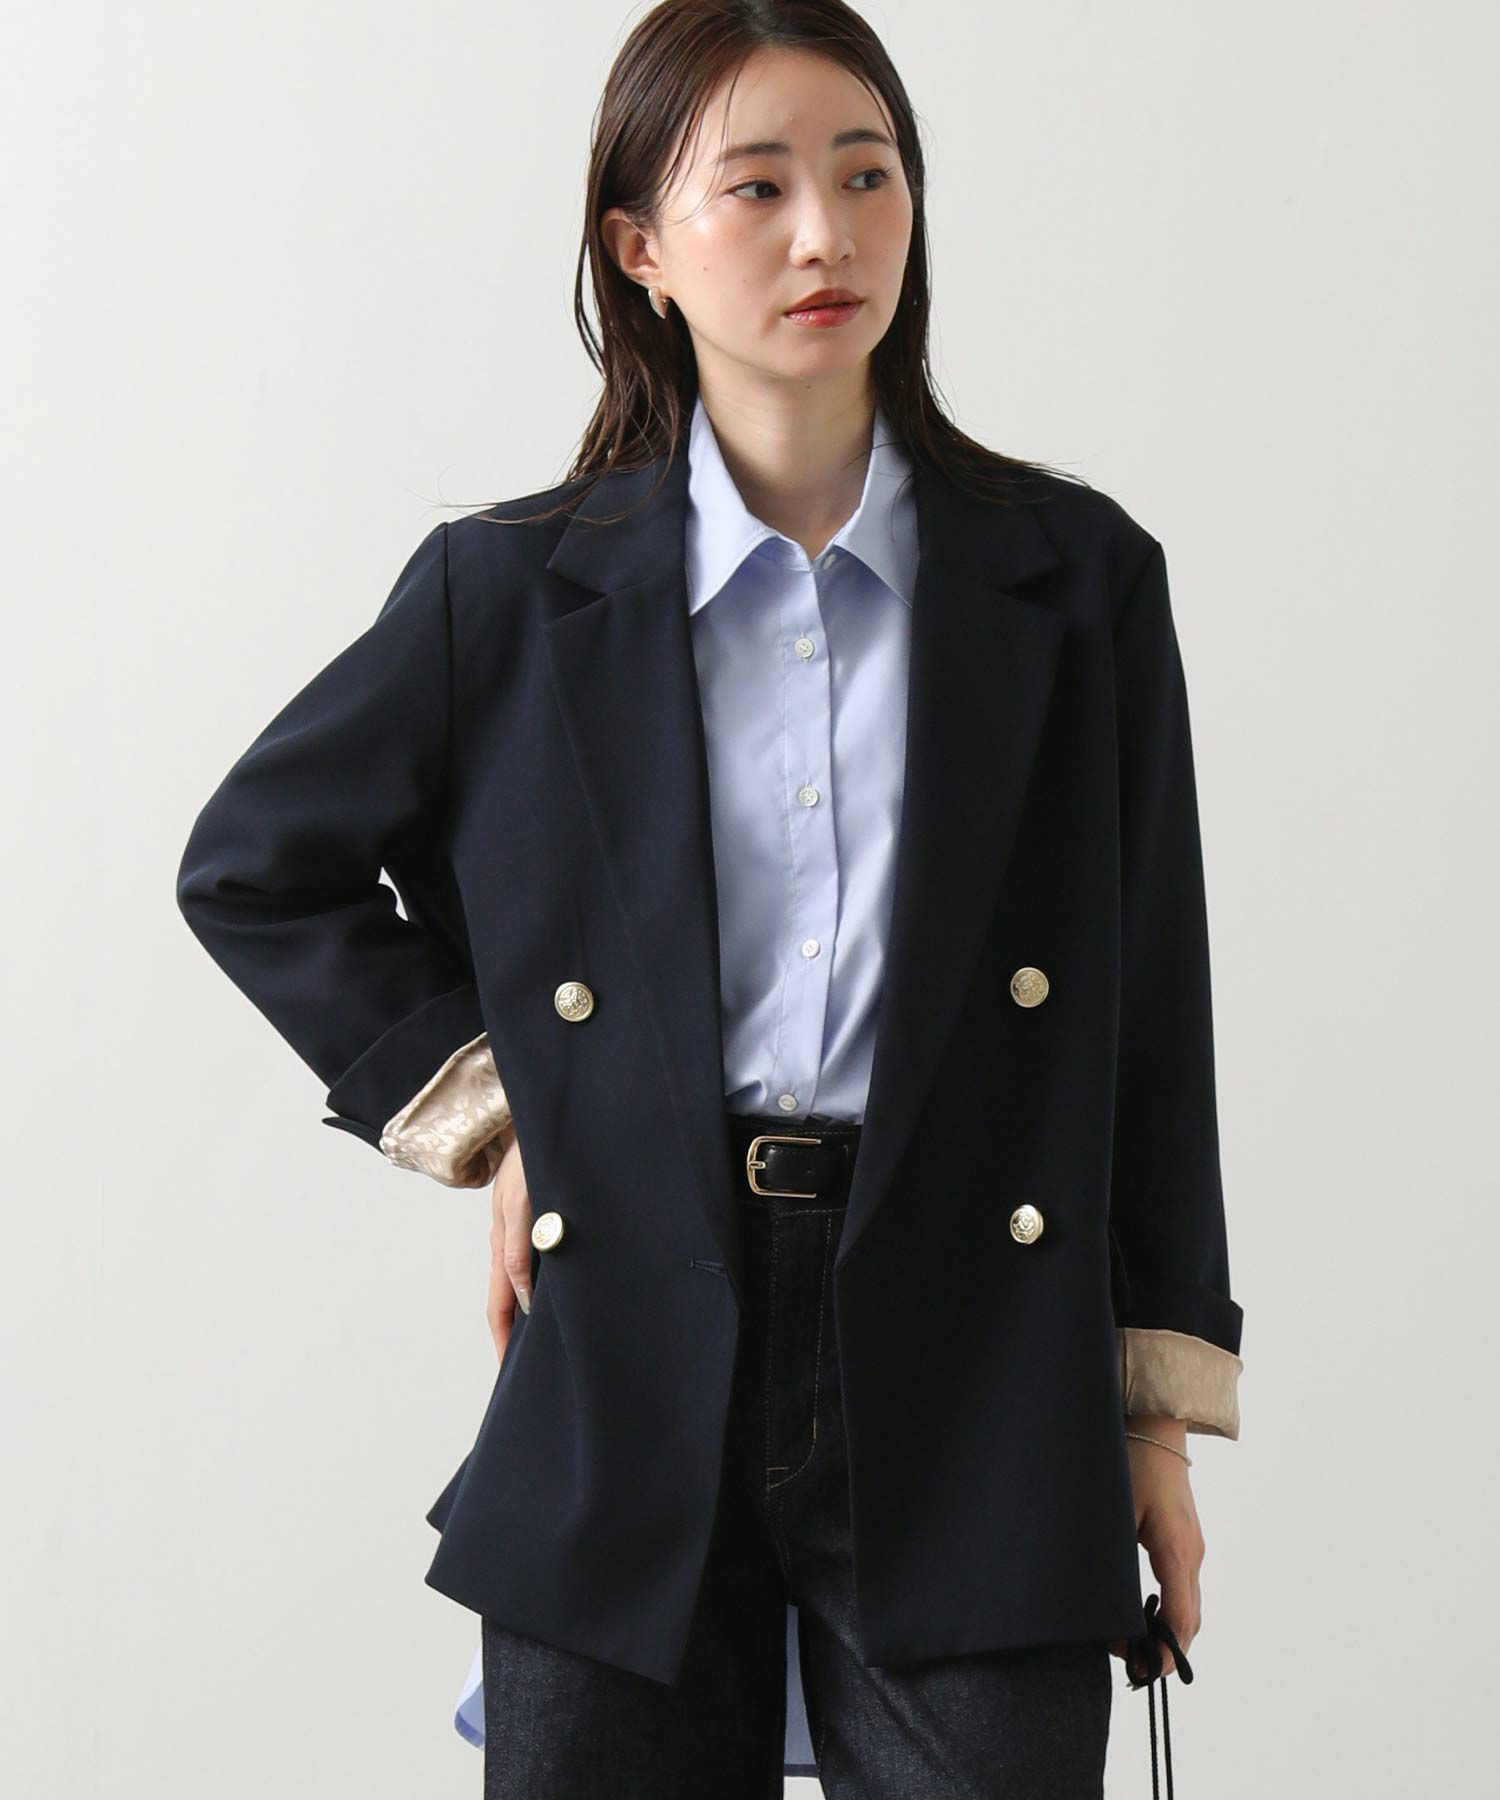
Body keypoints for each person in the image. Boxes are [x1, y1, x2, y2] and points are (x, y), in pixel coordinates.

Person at [175, 2, 1243, 1794]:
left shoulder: (1074, 582)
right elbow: (255, 865)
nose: (827, 234)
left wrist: (1154, 1422)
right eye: (755, 187)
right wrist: (508, 1112)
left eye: (867, 176)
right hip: (633, 1345)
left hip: (982, 1358)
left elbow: (1153, 1011)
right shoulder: (510, 593)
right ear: (639, 249)